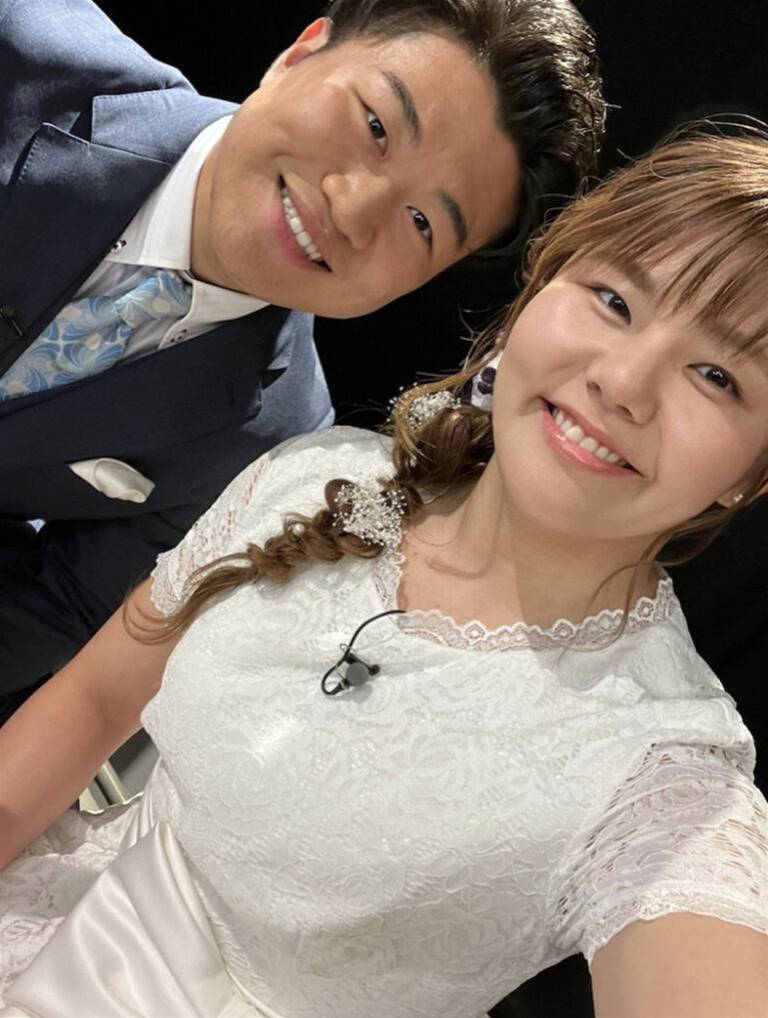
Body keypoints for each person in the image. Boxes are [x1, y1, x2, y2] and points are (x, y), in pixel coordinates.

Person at [3, 132, 768, 1018]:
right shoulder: (319, 476)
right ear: (537, 290)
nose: (623, 381)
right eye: (614, 299)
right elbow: (95, 698)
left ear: (753, 475)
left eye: (717, 375)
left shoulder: (663, 768)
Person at [0, 0, 605, 714]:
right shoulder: (20, 44)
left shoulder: (273, 450)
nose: (352, 209)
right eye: (376, 126)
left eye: (421, 222)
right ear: (302, 52)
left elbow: (60, 607)